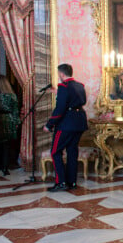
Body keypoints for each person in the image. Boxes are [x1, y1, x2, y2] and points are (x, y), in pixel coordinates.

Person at [43, 64, 88, 192]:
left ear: (61, 74)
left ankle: (61, 182)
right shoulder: (80, 86)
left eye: (59, 74)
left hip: (66, 124)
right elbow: (79, 100)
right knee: (72, 152)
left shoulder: (63, 86)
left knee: (55, 152)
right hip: (79, 122)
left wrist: (49, 125)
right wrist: (58, 93)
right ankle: (71, 182)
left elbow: (60, 109)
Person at [0, 76, 20, 178]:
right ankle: (5, 169)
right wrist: (16, 123)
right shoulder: (12, 95)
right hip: (9, 120)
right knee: (6, 146)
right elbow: (16, 111)